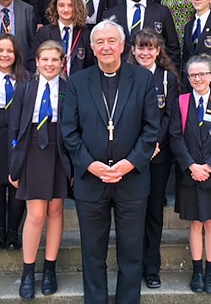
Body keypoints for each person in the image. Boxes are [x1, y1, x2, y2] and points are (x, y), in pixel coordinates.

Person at [61, 19, 159, 304]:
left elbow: (151, 129)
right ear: (92, 48)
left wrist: (130, 163)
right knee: (92, 252)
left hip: (132, 180)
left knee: (131, 252)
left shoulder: (141, 79)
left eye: (111, 41)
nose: (106, 47)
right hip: (91, 180)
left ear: (122, 46)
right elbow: (69, 130)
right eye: (100, 42)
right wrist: (90, 165)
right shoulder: (78, 82)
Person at [8, 41, 72, 300]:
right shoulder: (24, 89)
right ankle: (28, 271)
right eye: (44, 59)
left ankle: (50, 269)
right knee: (35, 214)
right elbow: (14, 129)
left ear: (62, 62)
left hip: (59, 150)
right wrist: (14, 165)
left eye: (54, 60)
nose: (49, 64)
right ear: (36, 61)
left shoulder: (69, 89)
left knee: (55, 210)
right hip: (33, 149)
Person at [168, 54, 211, 294]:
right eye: (192, 75)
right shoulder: (181, 102)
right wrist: (191, 166)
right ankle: (197, 271)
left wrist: (208, 167)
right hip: (190, 174)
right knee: (195, 223)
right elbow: (175, 138)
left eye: (202, 74)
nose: (197, 79)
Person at [127, 28, 179, 290]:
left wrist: (154, 144)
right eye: (140, 48)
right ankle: (132, 267)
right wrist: (139, 148)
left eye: (150, 48)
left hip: (158, 156)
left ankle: (151, 267)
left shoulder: (168, 79)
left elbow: (170, 116)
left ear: (158, 51)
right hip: (132, 156)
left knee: (154, 213)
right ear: (133, 51)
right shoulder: (126, 77)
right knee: (132, 213)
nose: (145, 53)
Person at [0, 33, 29, 251]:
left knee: (16, 184)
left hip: (19, 134)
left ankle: (13, 233)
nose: (5, 55)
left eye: (9, 51)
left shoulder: (26, 79)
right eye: (0, 50)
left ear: (16, 54)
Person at [103, 0, 180, 68]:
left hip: (154, 73)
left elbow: (173, 48)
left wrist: (169, 74)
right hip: (121, 73)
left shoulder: (162, 12)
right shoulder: (111, 14)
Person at [28, 0, 94, 75]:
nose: (66, 9)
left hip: (77, 85)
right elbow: (32, 62)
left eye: (70, 5)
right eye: (61, 5)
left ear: (77, 7)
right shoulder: (44, 32)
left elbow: (90, 64)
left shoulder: (85, 33)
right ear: (55, 7)